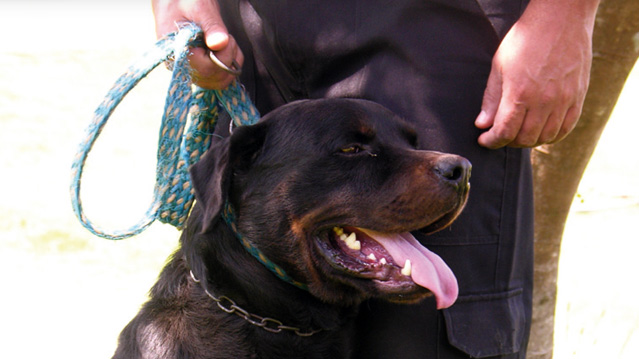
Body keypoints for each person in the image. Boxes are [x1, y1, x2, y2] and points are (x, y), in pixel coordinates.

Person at [151, 0, 600, 358]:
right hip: (245, 30)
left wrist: (564, 13)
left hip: (441, 26)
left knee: (432, 339)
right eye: (354, 150)